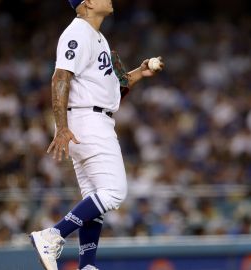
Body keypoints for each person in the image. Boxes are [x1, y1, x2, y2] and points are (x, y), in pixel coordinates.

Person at [29, 0, 164, 269]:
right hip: (85, 119)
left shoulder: (96, 36)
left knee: (96, 198)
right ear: (87, 2)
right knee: (114, 193)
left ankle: (87, 265)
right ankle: (52, 234)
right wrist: (62, 126)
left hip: (89, 117)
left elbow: (115, 88)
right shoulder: (78, 32)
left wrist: (140, 72)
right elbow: (59, 77)